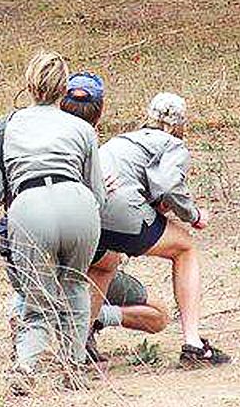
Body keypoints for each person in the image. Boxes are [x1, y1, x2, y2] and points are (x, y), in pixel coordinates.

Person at [0, 58, 106, 393]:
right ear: (64, 89)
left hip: (30, 206)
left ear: (29, 84)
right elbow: (98, 193)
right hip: (78, 204)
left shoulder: (5, 126)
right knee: (76, 288)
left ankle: (25, 368)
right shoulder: (83, 129)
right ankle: (73, 367)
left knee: (38, 301)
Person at [88, 92, 230, 366]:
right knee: (185, 247)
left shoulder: (122, 140)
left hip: (90, 213)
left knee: (105, 264)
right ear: (180, 124)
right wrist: (194, 215)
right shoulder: (172, 144)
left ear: (148, 116)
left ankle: (80, 342)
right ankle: (193, 344)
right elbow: (168, 185)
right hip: (123, 210)